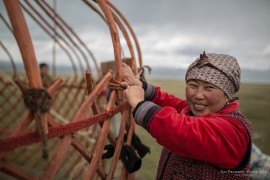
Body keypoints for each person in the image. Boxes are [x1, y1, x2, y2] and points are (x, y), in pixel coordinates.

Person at [121, 52, 252, 179]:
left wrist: (139, 103)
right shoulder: (193, 111)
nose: (198, 95)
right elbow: (168, 101)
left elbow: (181, 130)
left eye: (209, 88)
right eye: (193, 85)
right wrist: (141, 86)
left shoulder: (233, 130)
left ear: (227, 94)